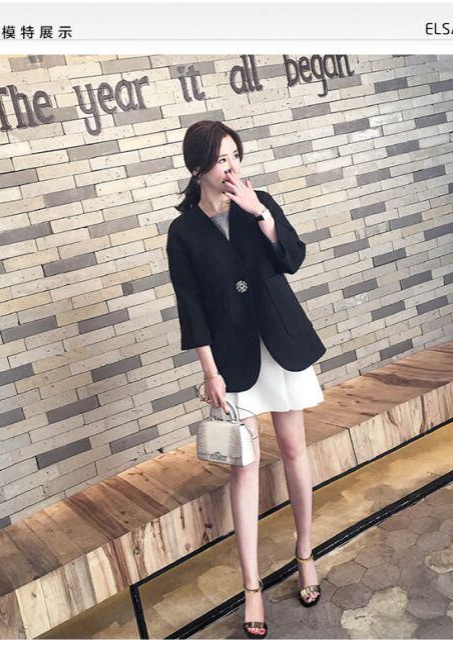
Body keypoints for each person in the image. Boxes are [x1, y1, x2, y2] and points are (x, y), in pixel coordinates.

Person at [166, 120, 327, 639]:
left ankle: (305, 554)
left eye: (235, 155)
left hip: (280, 342)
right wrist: (209, 372)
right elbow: (190, 306)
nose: (232, 167)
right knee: (245, 467)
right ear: (198, 167)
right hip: (232, 358)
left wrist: (260, 213)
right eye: (221, 159)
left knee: (294, 448)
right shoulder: (183, 232)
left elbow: (292, 259)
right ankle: (251, 585)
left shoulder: (260, 203)